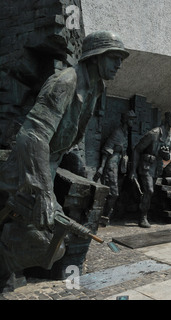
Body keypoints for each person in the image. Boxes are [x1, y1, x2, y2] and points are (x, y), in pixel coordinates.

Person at [0, 30, 129, 290]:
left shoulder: (96, 87)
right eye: (114, 58)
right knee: (46, 243)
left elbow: (69, 138)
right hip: (24, 172)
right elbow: (33, 135)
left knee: (57, 244)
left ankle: (5, 267)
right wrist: (45, 193)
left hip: (47, 168)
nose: (118, 65)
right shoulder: (65, 81)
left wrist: (79, 170)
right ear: (96, 57)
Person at [129, 111, 171, 228]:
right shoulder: (154, 133)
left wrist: (165, 154)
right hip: (146, 165)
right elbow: (136, 150)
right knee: (149, 190)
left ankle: (145, 213)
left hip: (157, 167)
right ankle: (143, 217)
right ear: (167, 119)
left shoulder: (170, 137)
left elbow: (167, 156)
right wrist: (133, 170)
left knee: (150, 192)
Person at [94, 110, 136, 224]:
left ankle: (105, 216)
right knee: (113, 193)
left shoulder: (125, 133)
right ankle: (103, 216)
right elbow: (107, 150)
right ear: (126, 120)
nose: (133, 122)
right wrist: (102, 167)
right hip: (111, 164)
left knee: (114, 193)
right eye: (131, 119)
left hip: (120, 165)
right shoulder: (117, 133)